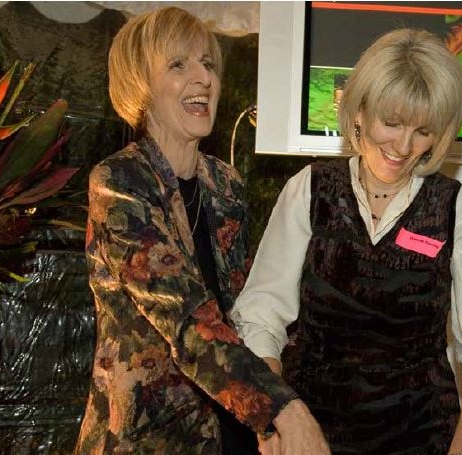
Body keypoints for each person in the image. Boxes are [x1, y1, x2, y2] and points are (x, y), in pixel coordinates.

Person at [231, 28, 462, 455]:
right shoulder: (308, 191)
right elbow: (260, 318)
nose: (404, 146)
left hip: (422, 437)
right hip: (311, 435)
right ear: (360, 110)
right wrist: (274, 419)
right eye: (392, 122)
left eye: (424, 131)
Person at [74, 7, 329, 455]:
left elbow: (243, 307)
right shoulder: (119, 183)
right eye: (179, 65)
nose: (204, 79)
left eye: (208, 64)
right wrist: (282, 410)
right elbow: (188, 322)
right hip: (150, 440)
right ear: (141, 83)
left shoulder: (224, 183)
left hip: (230, 428)